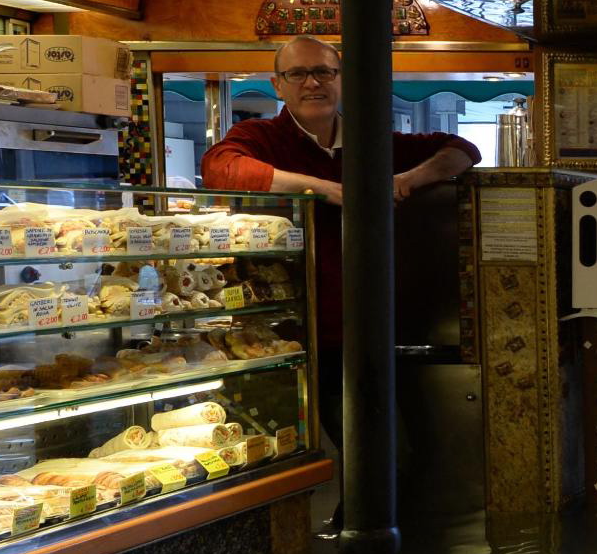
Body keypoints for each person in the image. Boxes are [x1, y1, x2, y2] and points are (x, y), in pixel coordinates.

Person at [199, 36, 477, 447]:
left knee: (391, 458)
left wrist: (406, 180)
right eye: (298, 74)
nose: (312, 83)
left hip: (380, 331)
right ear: (278, 85)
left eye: (323, 72)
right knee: (337, 459)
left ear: (340, 79)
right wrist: (326, 189)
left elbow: (462, 149)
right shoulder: (260, 136)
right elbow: (220, 168)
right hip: (295, 335)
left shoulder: (373, 142)